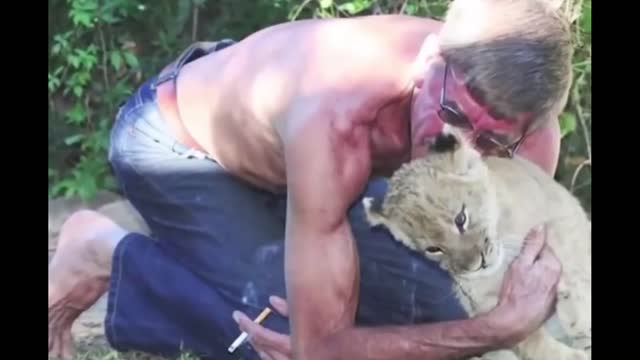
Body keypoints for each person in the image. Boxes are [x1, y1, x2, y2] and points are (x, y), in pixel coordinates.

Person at [48, 0, 573, 359]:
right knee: (281, 339)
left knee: (434, 300)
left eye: (492, 142)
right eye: (452, 115)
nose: (461, 147)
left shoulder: (527, 133)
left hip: (310, 172)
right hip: (180, 145)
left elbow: (508, 274)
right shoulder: (337, 111)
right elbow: (322, 347)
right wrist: (493, 330)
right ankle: (108, 250)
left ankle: (264, 240)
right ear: (431, 60)